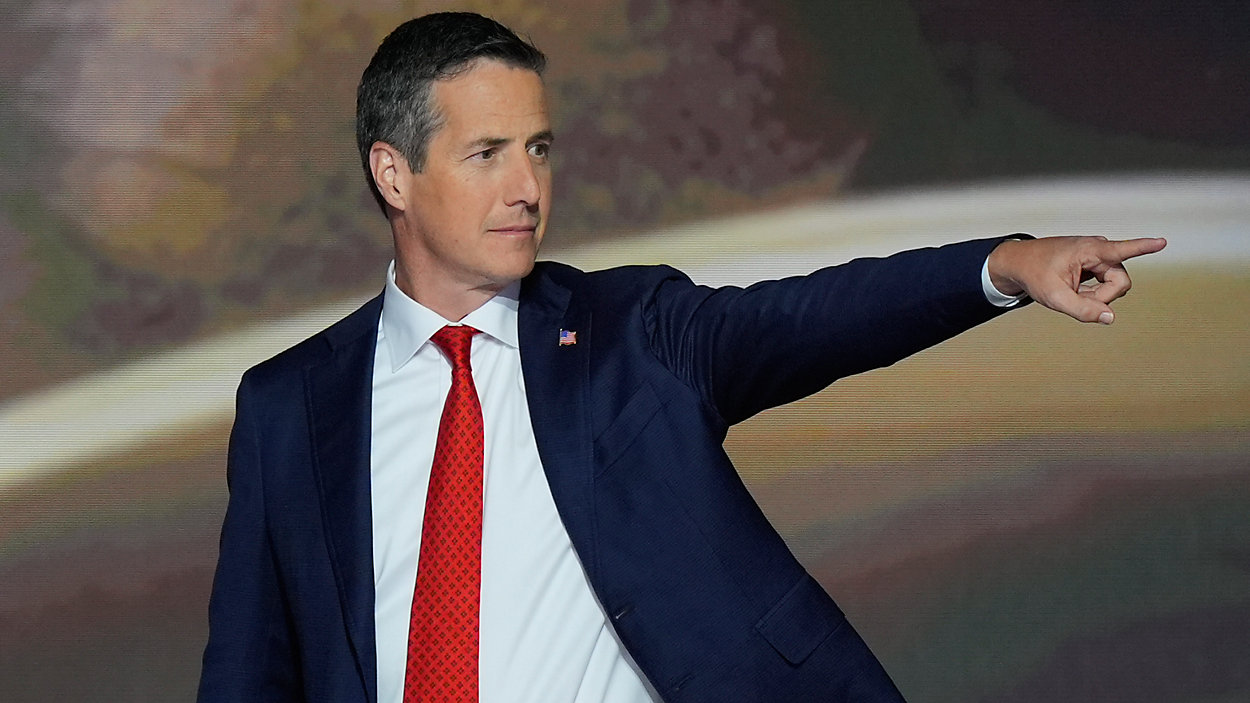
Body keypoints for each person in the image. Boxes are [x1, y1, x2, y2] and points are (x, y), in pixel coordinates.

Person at [196, 12, 1166, 703]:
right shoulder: (290, 405)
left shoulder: (629, 331)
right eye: (486, 152)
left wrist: (1002, 265)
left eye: (539, 148)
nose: (526, 185)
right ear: (392, 172)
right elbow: (250, 669)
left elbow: (812, 317)